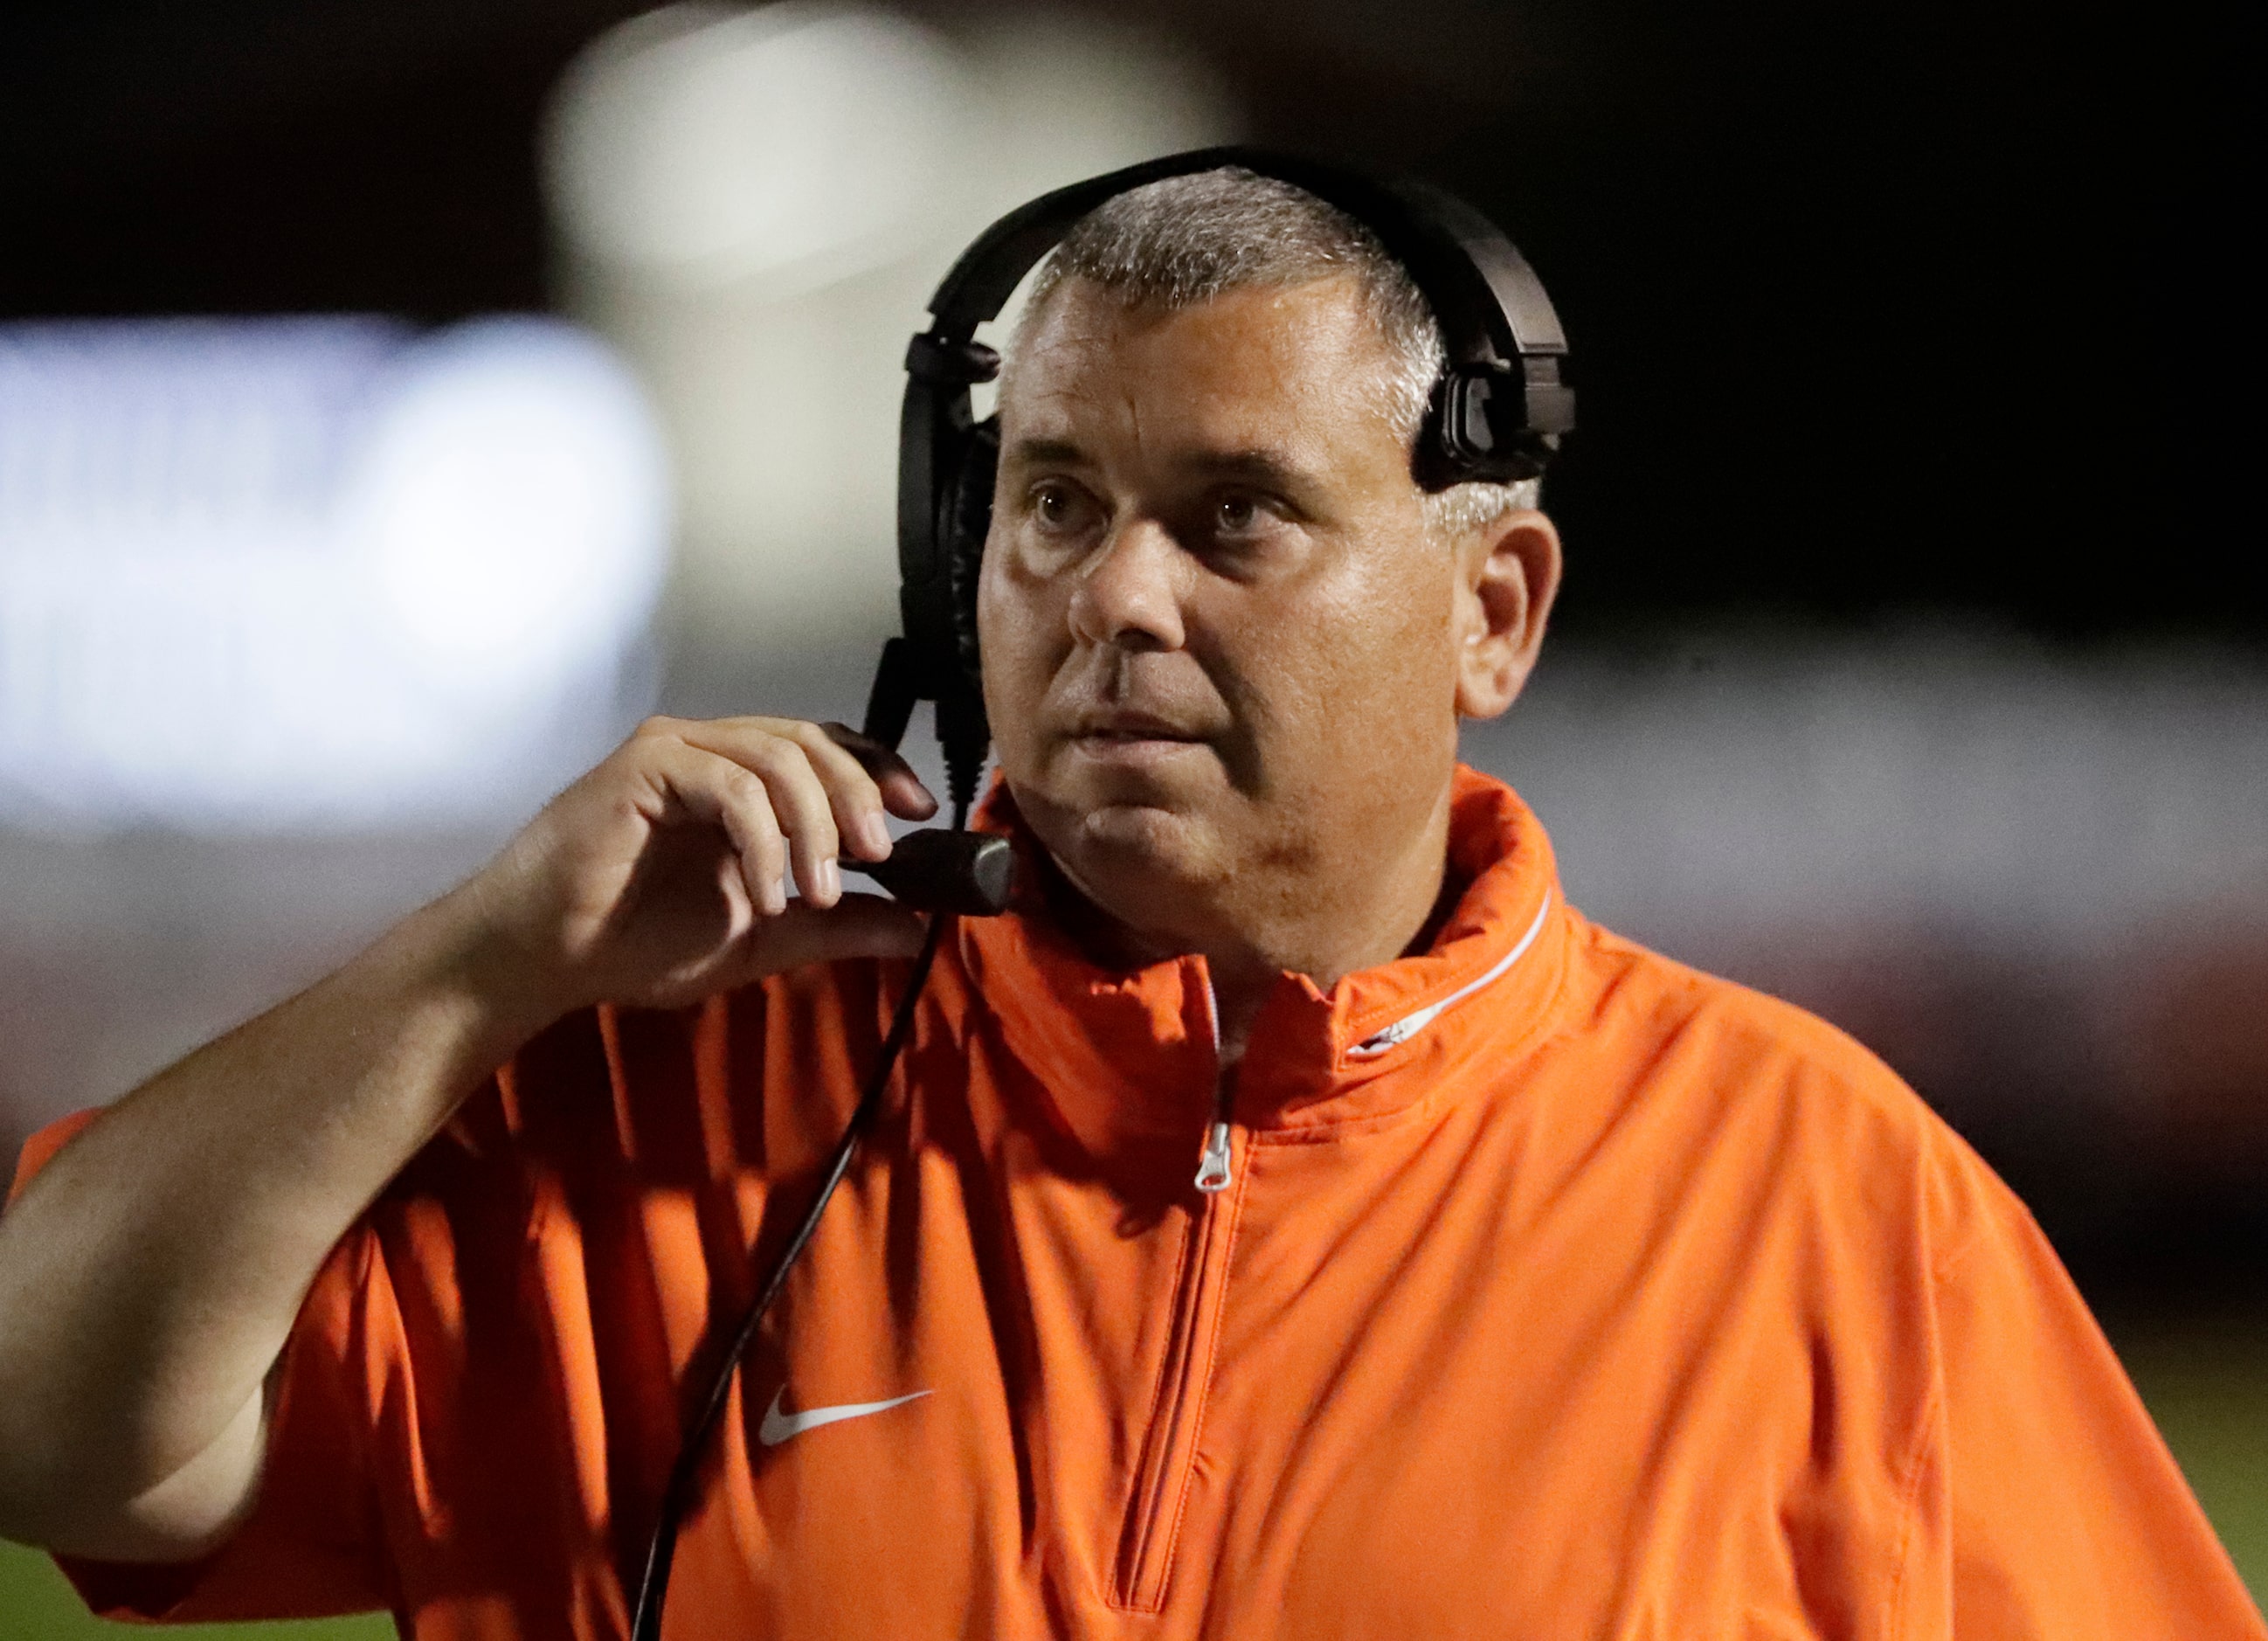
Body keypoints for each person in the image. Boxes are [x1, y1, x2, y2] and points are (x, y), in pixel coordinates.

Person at [0, 167, 2258, 1640]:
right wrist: (479, 959)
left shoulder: (1823, 1196)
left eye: (1235, 516)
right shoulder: (638, 1114)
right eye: (1052, 505)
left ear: (1493, 610)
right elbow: (46, 1433)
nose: (1112, 600)